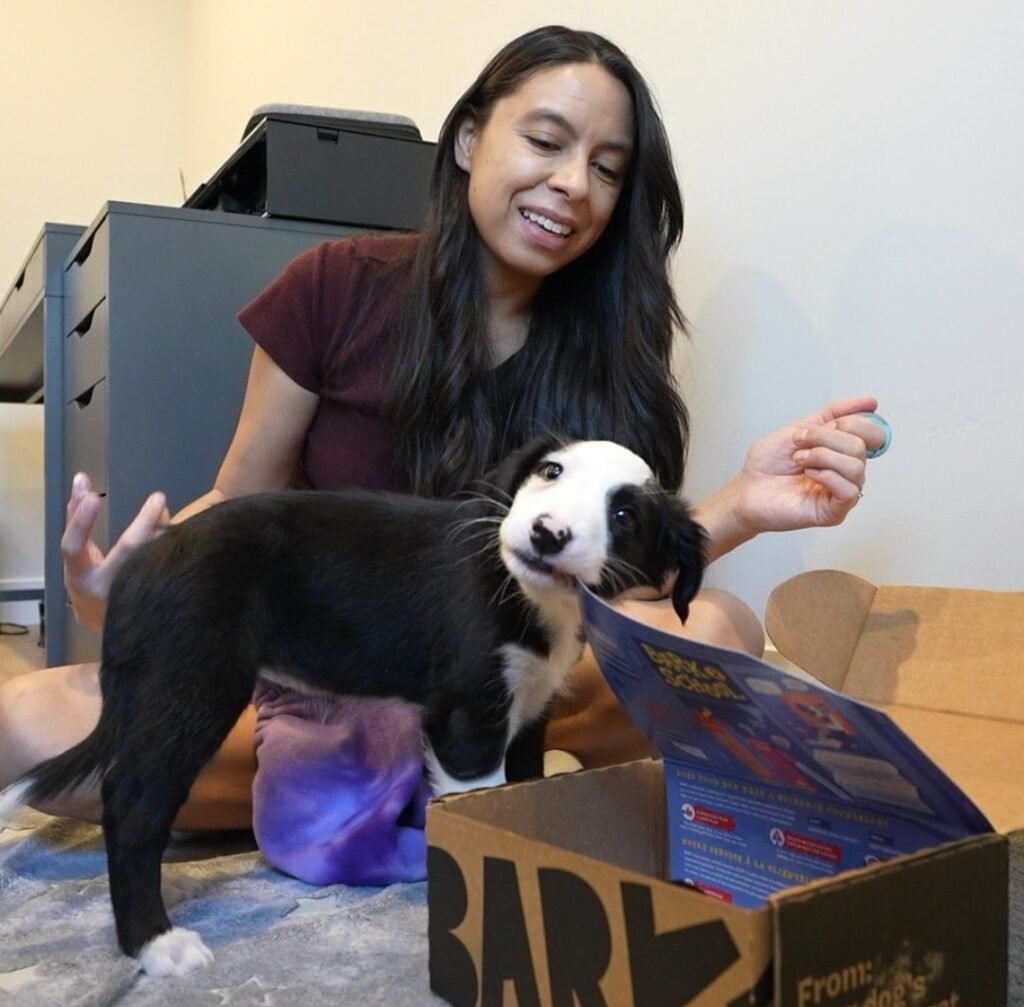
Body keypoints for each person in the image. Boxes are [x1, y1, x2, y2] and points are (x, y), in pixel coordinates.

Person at [0, 26, 882, 876]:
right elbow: (239, 499)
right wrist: (137, 580)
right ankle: (408, 781)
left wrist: (741, 505)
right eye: (546, 141)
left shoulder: (617, 356)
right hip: (330, 678)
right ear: (468, 139)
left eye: (607, 170)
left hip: (508, 687)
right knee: (28, 720)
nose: (573, 184)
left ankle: (429, 776)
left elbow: (628, 583)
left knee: (722, 631)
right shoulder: (332, 288)